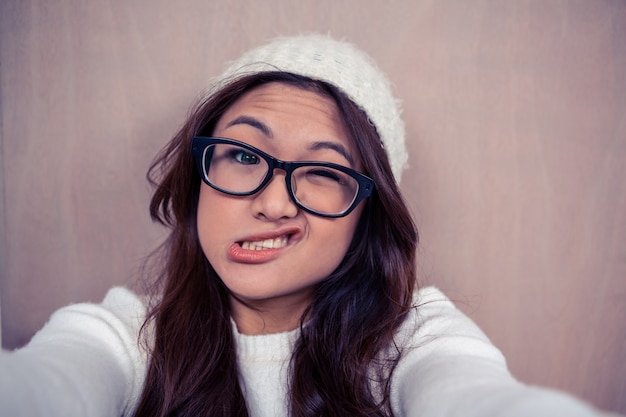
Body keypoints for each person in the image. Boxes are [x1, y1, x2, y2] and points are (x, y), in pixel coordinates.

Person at [0, 34, 620, 417]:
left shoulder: (412, 339)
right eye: (244, 155)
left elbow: (477, 398)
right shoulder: (129, 333)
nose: (274, 203)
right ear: (198, 180)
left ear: (366, 215)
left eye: (322, 172)